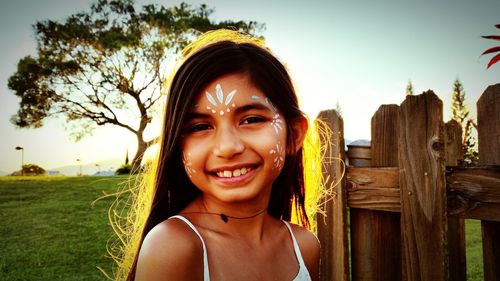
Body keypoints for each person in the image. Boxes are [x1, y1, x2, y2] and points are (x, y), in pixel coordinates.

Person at [115, 29, 321, 281]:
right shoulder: (173, 247)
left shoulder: (303, 246)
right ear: (177, 145)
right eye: (200, 127)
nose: (227, 147)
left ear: (295, 135)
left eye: (252, 119)